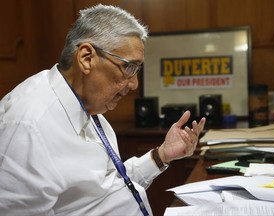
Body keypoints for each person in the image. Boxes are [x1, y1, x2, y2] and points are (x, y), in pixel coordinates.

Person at [0, 4, 206, 216]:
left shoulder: (87, 105)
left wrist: (161, 155)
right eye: (129, 67)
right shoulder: (29, 125)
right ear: (87, 58)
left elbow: (111, 187)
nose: (134, 84)